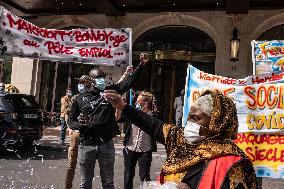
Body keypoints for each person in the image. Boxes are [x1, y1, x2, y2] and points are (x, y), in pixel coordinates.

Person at [104, 89, 257, 189]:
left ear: (216, 123)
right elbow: (153, 125)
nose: (190, 123)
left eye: (196, 118)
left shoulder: (233, 164)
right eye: (189, 117)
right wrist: (123, 107)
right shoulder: (180, 140)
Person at [69, 53, 149, 189]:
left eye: (103, 77)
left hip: (106, 144)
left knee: (108, 183)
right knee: (85, 183)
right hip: (86, 145)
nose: (102, 80)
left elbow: (128, 82)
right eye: (98, 78)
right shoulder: (79, 99)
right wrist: (78, 124)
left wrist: (141, 65)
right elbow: (71, 121)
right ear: (91, 80)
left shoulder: (109, 92)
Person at [123, 91, 157, 189]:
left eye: (138, 102)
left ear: (145, 103)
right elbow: (119, 119)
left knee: (144, 177)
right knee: (128, 175)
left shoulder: (153, 117)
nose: (135, 104)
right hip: (130, 148)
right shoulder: (133, 113)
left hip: (145, 150)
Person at [65, 75, 89, 189]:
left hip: (89, 135)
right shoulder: (75, 97)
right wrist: (70, 127)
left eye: (83, 83)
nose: (81, 85)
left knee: (86, 165)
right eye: (80, 82)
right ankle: (67, 186)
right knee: (71, 164)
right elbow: (69, 115)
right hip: (76, 133)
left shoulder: (93, 97)